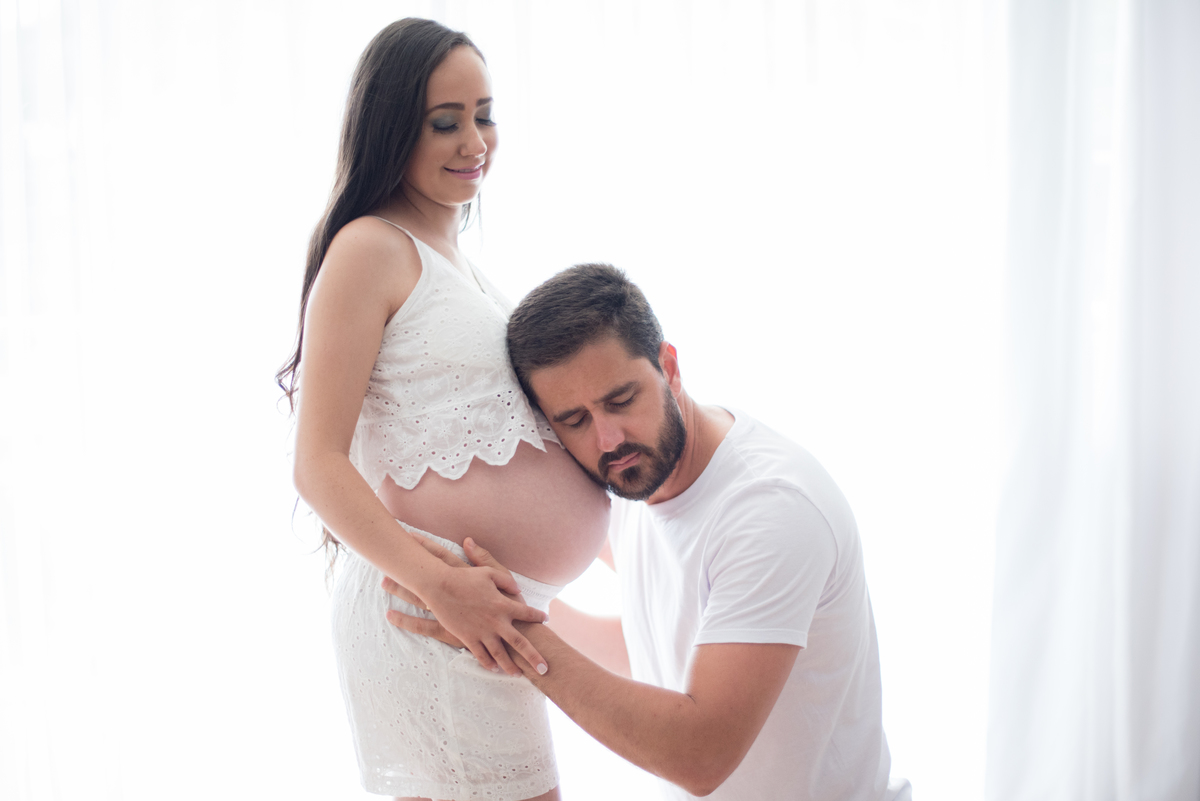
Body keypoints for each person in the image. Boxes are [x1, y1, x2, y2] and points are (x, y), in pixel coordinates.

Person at [386, 264, 912, 800]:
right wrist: (502, 603)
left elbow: (700, 755)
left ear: (670, 367)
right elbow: (658, 644)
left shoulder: (771, 510)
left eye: (621, 400)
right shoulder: (636, 483)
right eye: (575, 420)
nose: (609, 439)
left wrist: (508, 633)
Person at [278, 19, 610, 801]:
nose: (474, 141)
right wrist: (441, 586)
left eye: (485, 115)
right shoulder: (370, 248)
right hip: (431, 615)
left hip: (469, 617)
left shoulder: (457, 261)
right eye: (445, 121)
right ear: (393, 127)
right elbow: (316, 464)